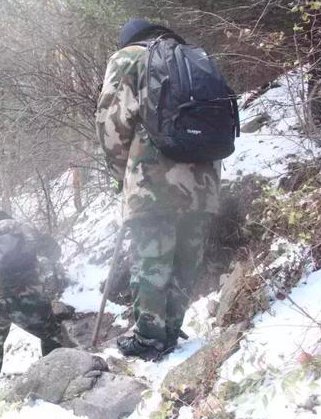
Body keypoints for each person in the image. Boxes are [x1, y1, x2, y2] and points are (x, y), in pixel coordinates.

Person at [96, 19, 222, 360]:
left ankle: (149, 339)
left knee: (152, 259)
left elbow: (112, 126)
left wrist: (124, 174)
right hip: (204, 183)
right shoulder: (194, 57)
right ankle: (169, 330)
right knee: (185, 259)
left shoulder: (128, 58)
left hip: (152, 181)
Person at [0, 211, 68, 401]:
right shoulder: (26, 229)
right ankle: (56, 384)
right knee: (52, 335)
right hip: (29, 297)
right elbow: (54, 251)